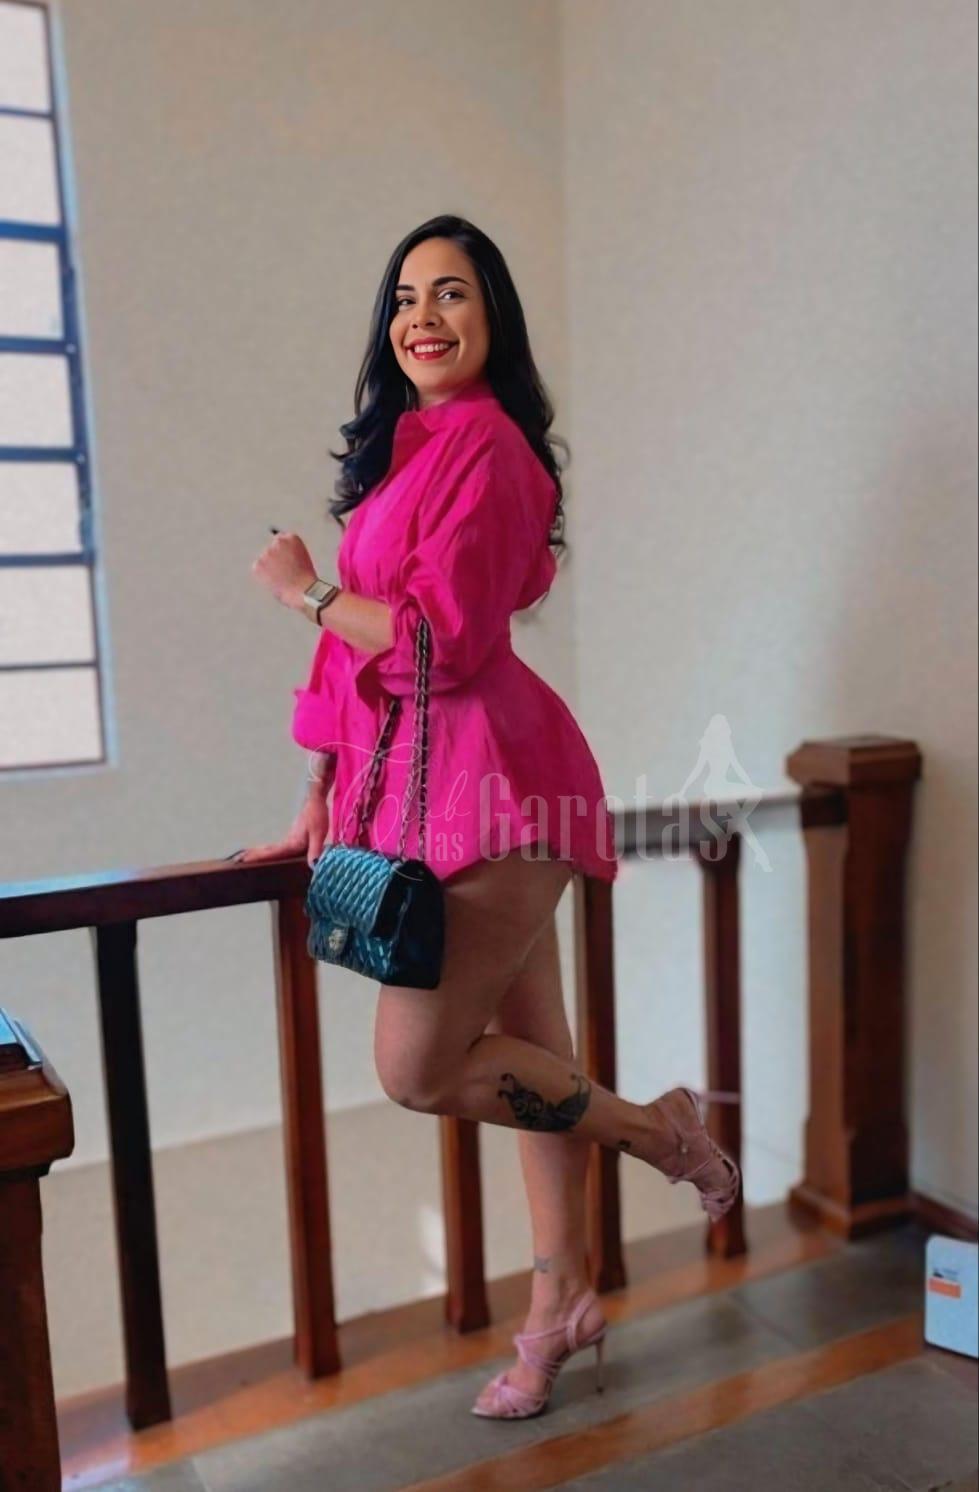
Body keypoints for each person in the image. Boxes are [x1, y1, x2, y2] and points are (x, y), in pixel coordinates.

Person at [240, 215, 740, 1420]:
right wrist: (315, 792)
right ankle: (558, 1303)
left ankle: (660, 1130)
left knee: (415, 1068)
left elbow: (436, 646)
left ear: (492, 319)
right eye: (405, 296)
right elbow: (358, 664)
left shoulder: (493, 450)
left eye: (452, 293)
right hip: (428, 791)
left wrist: (305, 590)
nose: (422, 315)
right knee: (531, 1055)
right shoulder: (408, 458)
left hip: (495, 787)